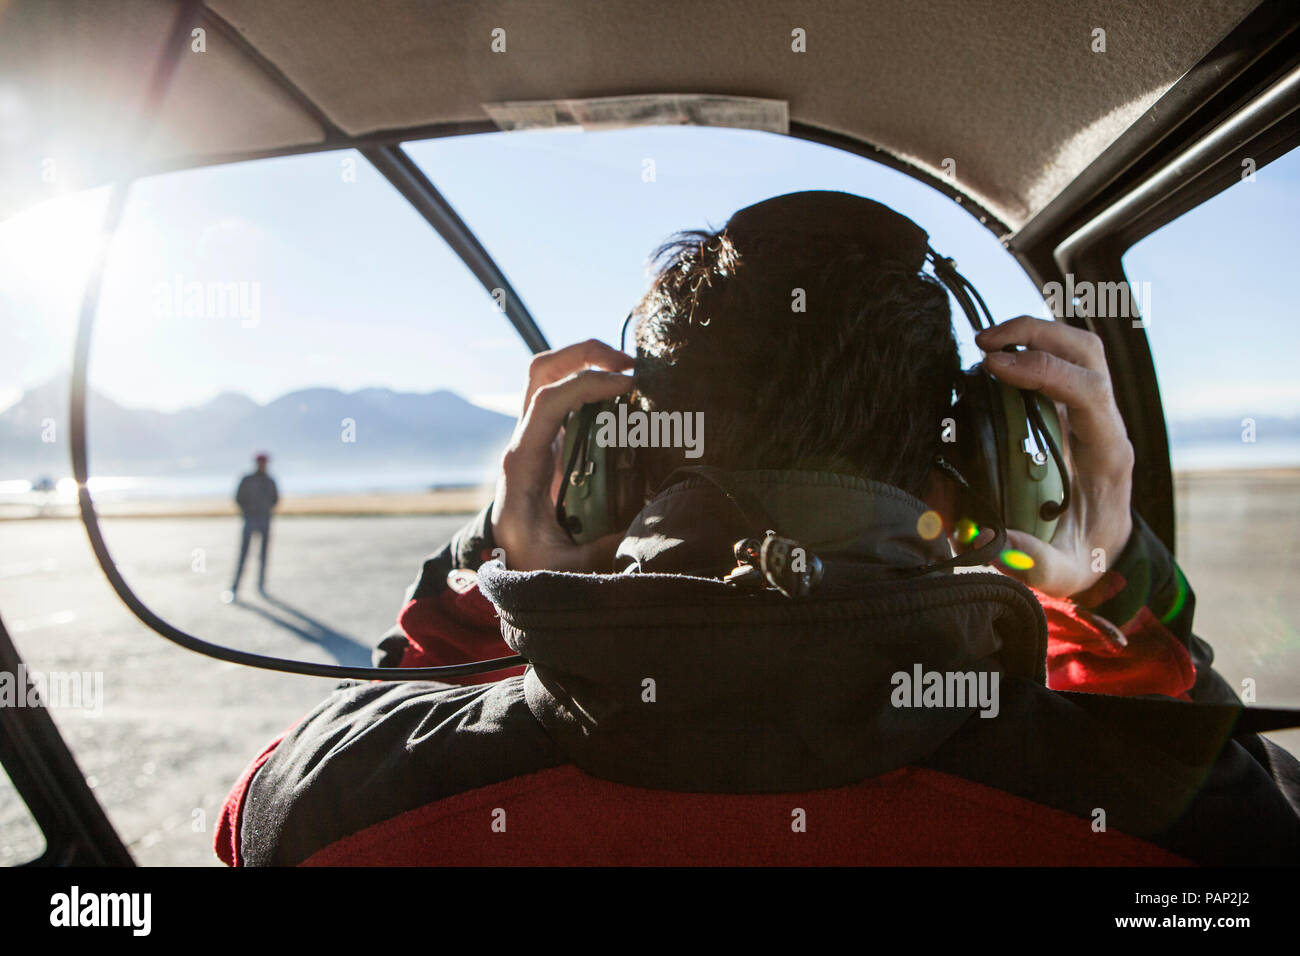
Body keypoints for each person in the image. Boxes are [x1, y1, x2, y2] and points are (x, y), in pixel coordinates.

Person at [215, 192, 1300, 866]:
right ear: (975, 470)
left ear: (604, 470)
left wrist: (488, 565)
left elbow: (253, 823)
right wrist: (1109, 590)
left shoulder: (340, 807)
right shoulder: (1174, 822)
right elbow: (1228, 802)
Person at [226, 452, 278, 600]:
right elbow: (238, 498)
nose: (263, 465)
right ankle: (235, 588)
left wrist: (266, 511)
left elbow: (275, 499)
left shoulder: (270, 481)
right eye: (261, 462)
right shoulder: (247, 479)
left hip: (265, 521)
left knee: (263, 555)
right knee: (243, 554)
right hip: (250, 520)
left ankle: (261, 586)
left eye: (264, 462)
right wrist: (247, 512)